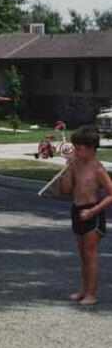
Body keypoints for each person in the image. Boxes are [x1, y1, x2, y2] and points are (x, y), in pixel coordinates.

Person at [59, 125, 112, 305]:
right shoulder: (75, 165)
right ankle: (83, 290)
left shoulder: (97, 169)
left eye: (79, 148)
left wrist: (92, 211)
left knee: (90, 254)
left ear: (90, 148)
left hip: (92, 212)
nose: (77, 151)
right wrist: (67, 169)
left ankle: (91, 294)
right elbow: (65, 190)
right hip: (77, 210)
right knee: (82, 255)